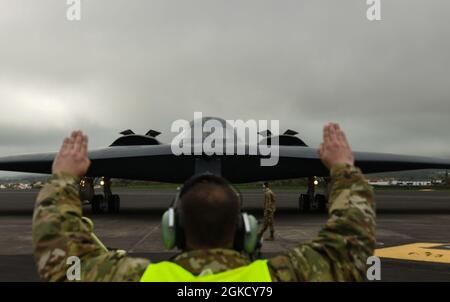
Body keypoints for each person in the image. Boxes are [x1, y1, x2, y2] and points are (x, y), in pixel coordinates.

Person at [32, 123, 375, 281]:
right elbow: (349, 245)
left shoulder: (135, 278)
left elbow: (60, 252)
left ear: (173, 230)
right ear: (246, 230)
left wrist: (64, 176)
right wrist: (342, 167)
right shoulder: (281, 276)